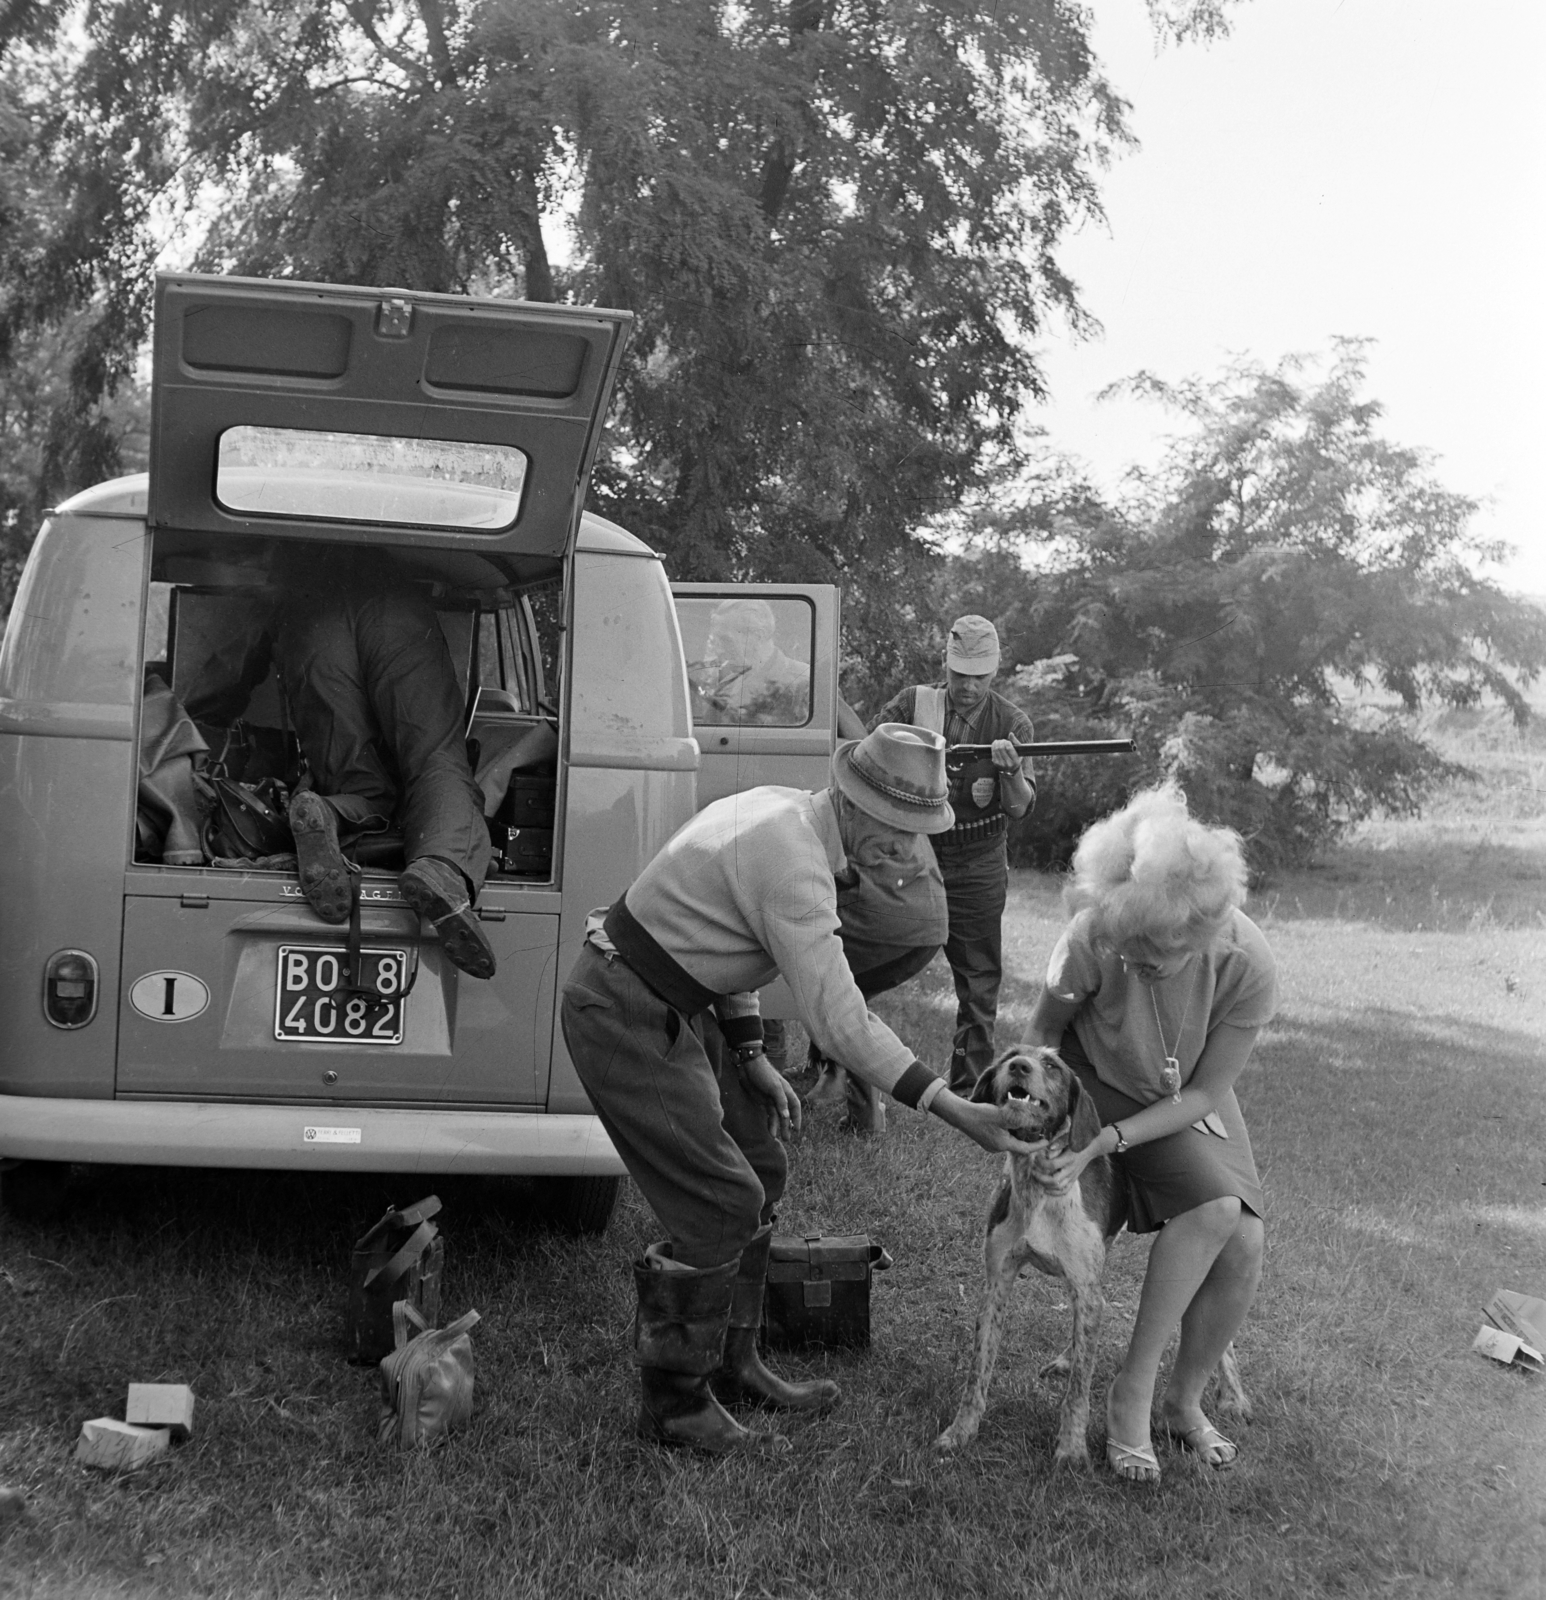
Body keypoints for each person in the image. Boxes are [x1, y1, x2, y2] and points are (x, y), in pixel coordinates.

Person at [559, 724, 1042, 1455]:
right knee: (722, 1204)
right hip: (623, 1007)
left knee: (761, 1163)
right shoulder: (794, 861)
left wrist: (750, 1049)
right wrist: (950, 1105)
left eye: (921, 833)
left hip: (673, 997)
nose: (910, 852)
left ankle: (734, 1358)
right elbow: (841, 1022)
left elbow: (718, 932)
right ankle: (676, 1405)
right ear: (851, 803)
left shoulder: (789, 810)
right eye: (899, 830)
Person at [1023, 784, 1276, 1482]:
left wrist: (1115, 1142)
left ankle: (1179, 1402)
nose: (1132, 962)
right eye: (1123, 946)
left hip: (1180, 1095)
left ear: (1200, 933)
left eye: (1152, 955)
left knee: (1244, 1237)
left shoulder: (1248, 966)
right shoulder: (1098, 931)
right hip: (1092, 1081)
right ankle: (1130, 1396)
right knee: (1216, 1208)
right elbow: (1043, 1032)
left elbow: (1201, 1092)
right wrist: (1041, 1115)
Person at [871, 614, 1036, 1091]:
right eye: (959, 673)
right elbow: (868, 761)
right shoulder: (911, 704)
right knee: (866, 954)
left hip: (979, 859)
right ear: (944, 664)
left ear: (996, 670)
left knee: (979, 980)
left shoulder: (1013, 722)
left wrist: (1009, 773)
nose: (967, 686)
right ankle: (839, 1067)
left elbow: (1021, 808)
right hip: (911, 850)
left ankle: (967, 1088)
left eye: (979, 676)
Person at [689, 597, 810, 725]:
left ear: (758, 636)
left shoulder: (803, 682)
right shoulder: (728, 681)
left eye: (726, 640)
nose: (719, 651)